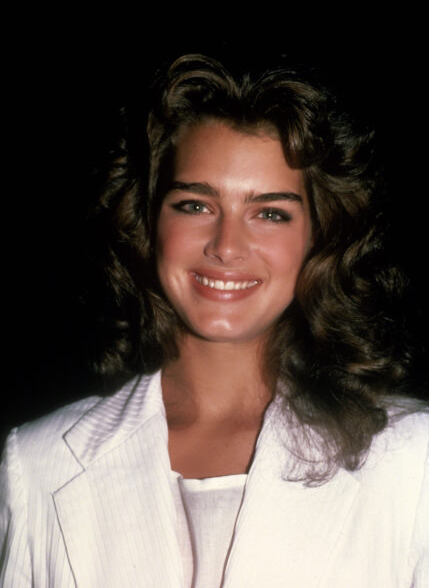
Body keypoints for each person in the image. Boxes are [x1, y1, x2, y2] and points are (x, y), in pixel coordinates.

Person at [1, 53, 428, 587]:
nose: (227, 247)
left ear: (318, 237)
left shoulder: (410, 461)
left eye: (270, 213)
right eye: (195, 205)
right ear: (148, 219)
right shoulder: (38, 464)